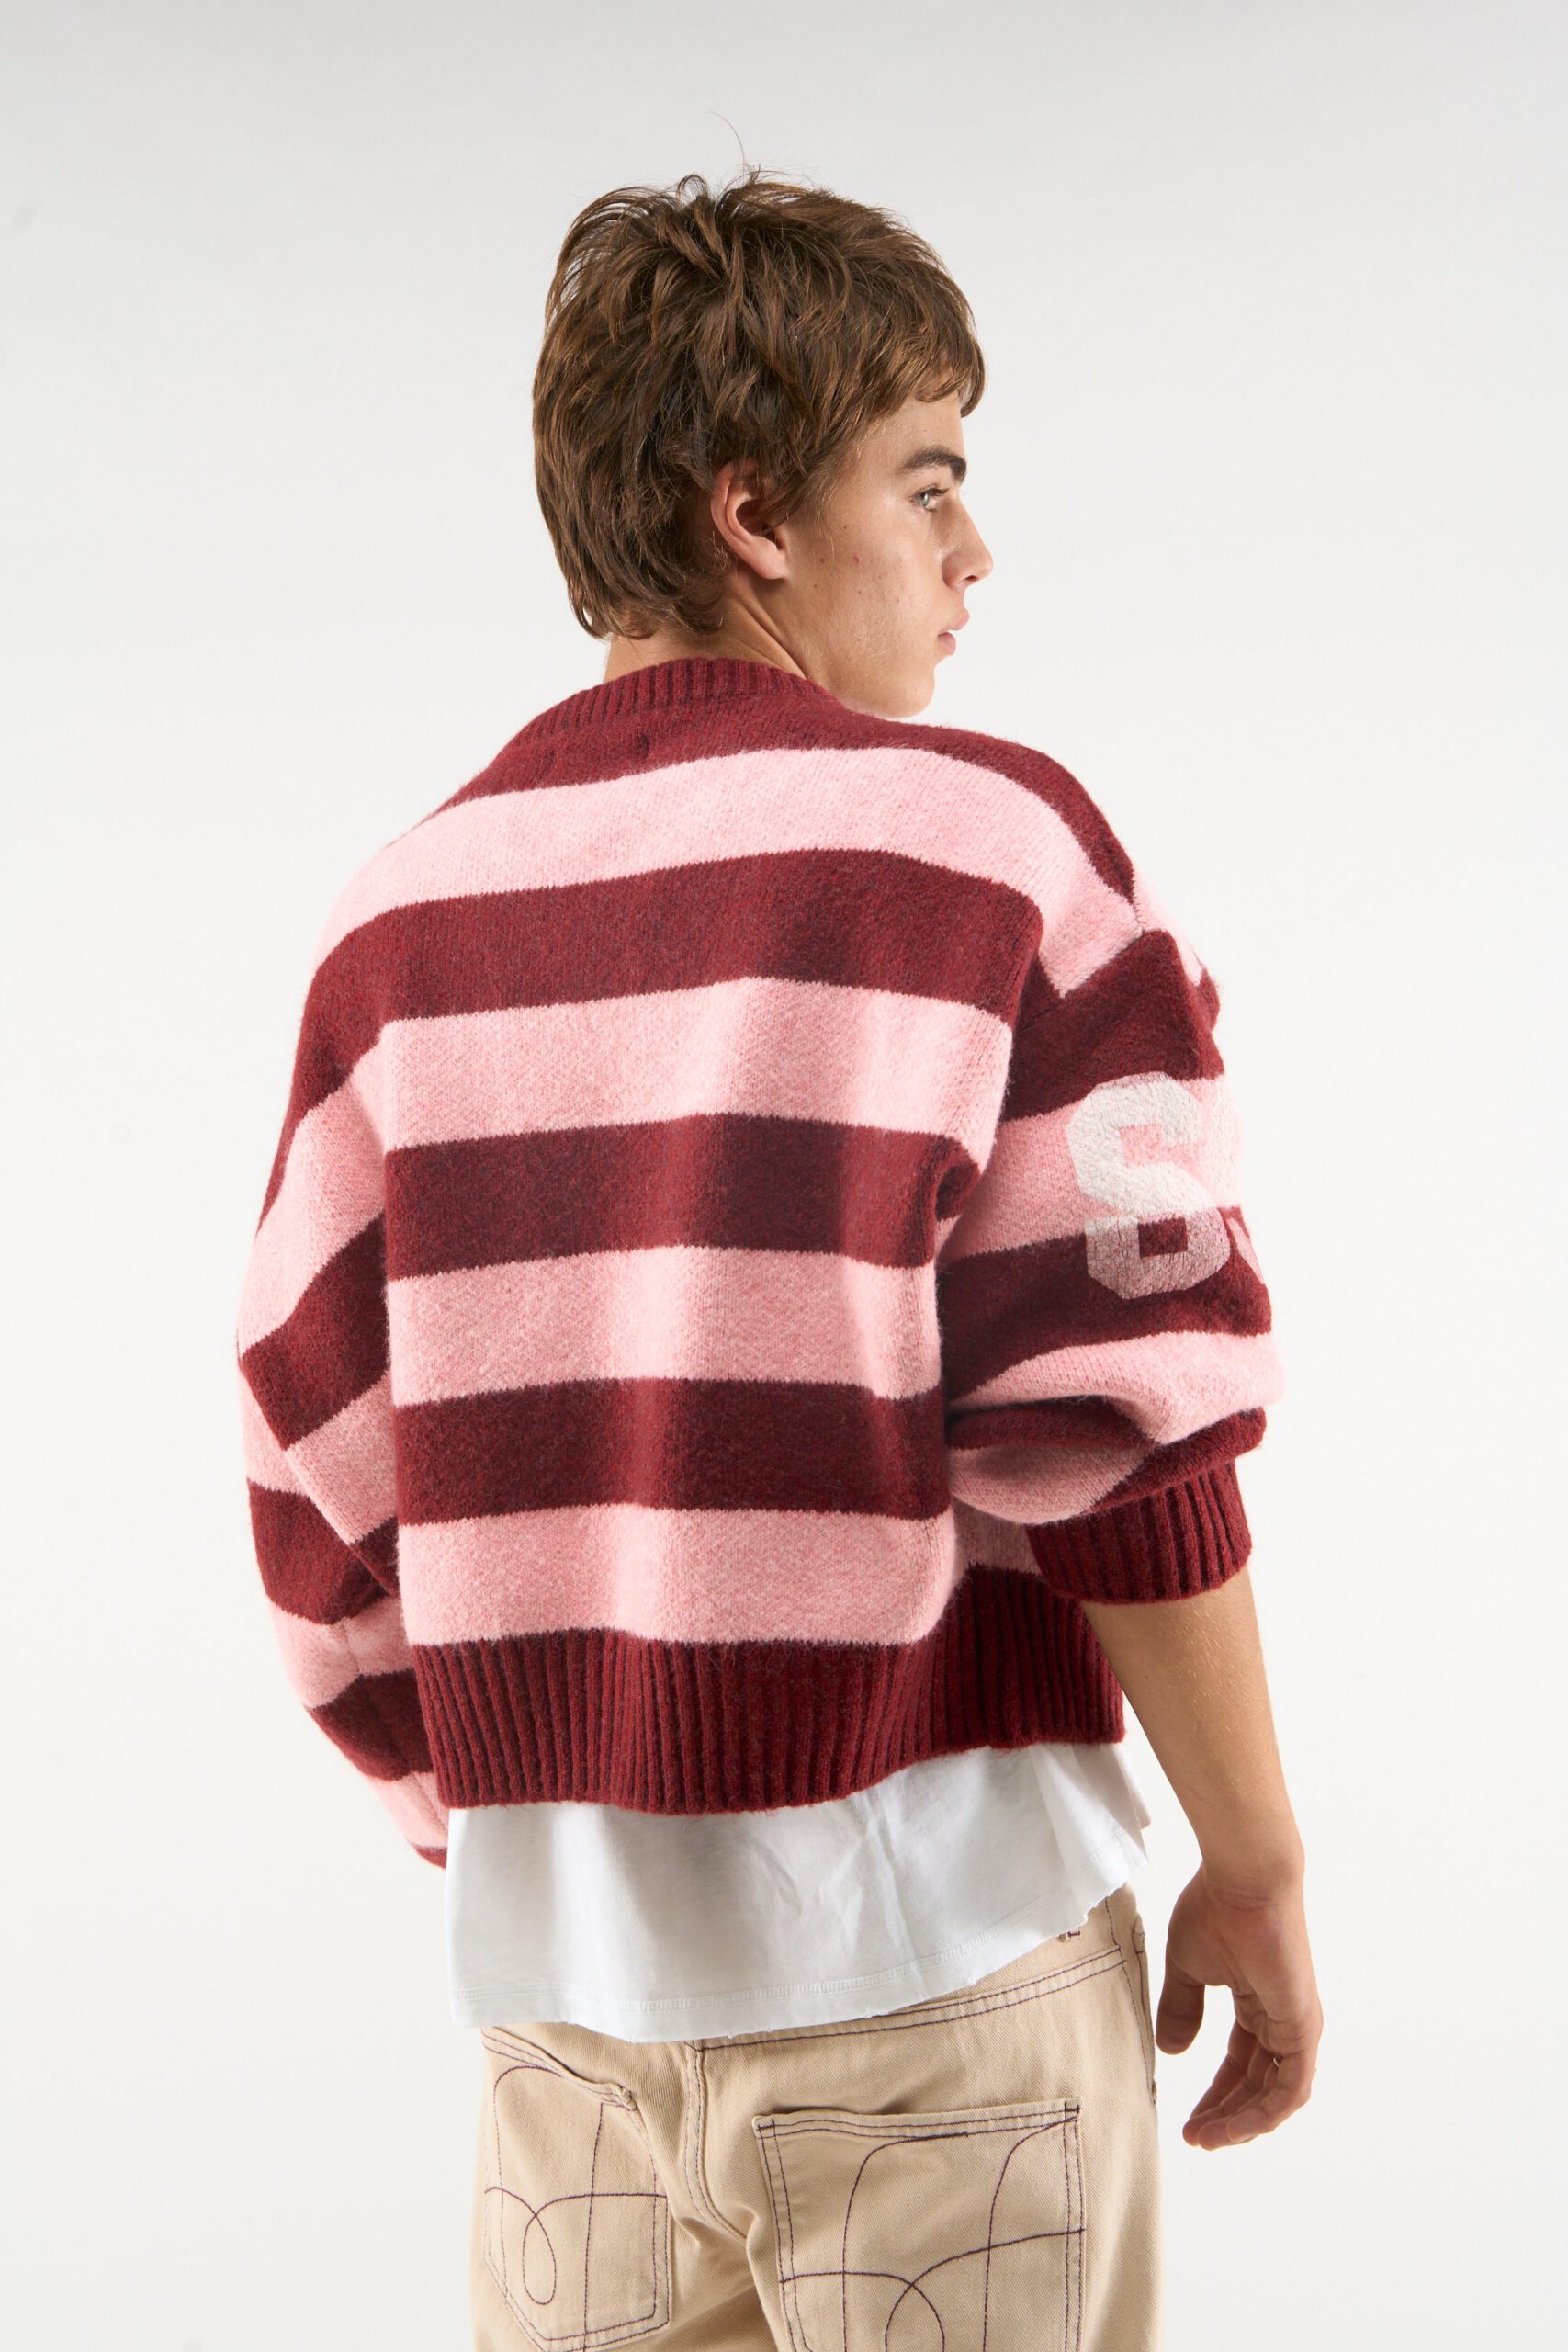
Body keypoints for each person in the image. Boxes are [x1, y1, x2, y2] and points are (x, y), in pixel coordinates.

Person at [234, 166, 1321, 2351]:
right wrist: (1257, 1858)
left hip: (567, 2028)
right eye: (924, 480)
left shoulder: (394, 929)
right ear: (750, 511)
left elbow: (319, 1489)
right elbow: (1126, 1430)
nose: (970, 550)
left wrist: (551, 1823)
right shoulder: (988, 854)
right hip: (940, 1978)